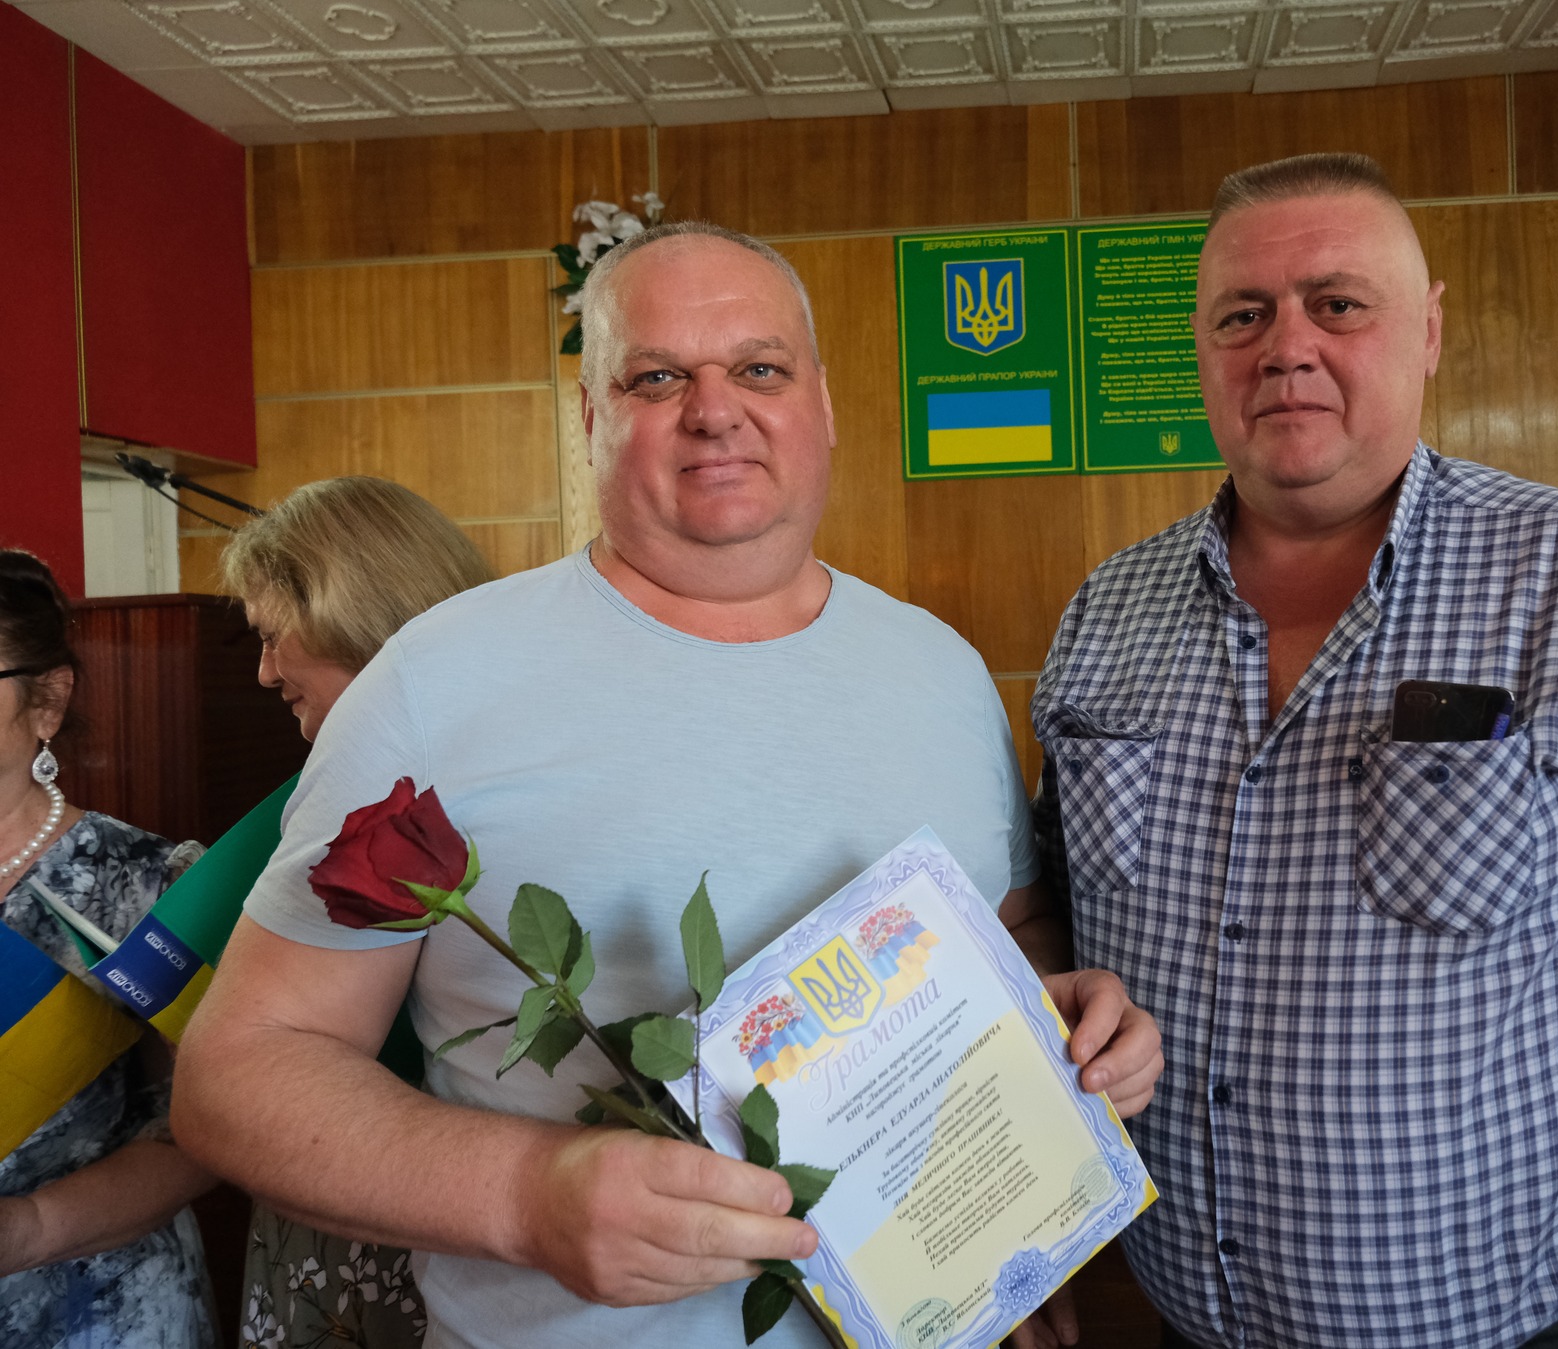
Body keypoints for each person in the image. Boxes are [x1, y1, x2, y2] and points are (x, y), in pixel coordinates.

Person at [173, 220, 1162, 1349]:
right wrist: (524, 1194)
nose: (714, 409)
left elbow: (1010, 925)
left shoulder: (940, 668)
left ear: (823, 404)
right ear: (590, 417)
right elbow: (237, 1076)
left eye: (759, 368)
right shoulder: (434, 682)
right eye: (656, 378)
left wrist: (1057, 1029)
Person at [1025, 153, 1558, 1349]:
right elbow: (1052, 937)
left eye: (1337, 303)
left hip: (1543, 1319)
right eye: (1241, 315)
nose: (1285, 347)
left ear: (1426, 332)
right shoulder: (1104, 613)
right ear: (1201, 349)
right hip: (1189, 1318)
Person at [218, 476, 495, 1348]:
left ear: (351, 612)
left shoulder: (481, 776)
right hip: (333, 1198)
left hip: (434, 1215)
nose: (265, 672)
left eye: (274, 637)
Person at [0, 549, 218, 1348]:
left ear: (48, 699)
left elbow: (205, 1127)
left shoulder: (145, 884)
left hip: (100, 1307)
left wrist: (29, 1226)